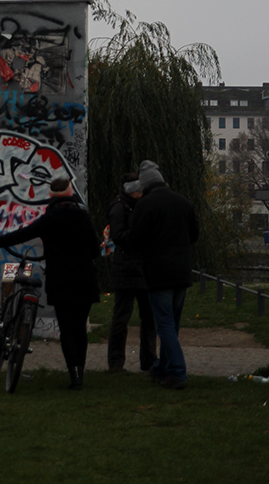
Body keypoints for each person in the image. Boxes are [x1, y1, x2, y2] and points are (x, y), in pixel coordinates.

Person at [0, 175, 100, 390]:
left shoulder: (49, 219)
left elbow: (21, 235)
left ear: (51, 196)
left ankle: (74, 374)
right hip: (84, 280)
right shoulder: (83, 217)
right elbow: (95, 250)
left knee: (66, 328)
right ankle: (80, 371)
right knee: (79, 328)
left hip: (61, 281)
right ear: (69, 193)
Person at [128, 159, 199, 390]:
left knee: (165, 325)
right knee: (173, 324)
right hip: (182, 271)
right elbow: (194, 234)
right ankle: (162, 369)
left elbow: (135, 239)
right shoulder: (183, 201)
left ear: (145, 184)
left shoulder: (145, 205)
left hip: (159, 273)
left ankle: (178, 373)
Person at [106, 173, 157, 373]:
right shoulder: (119, 207)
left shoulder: (136, 205)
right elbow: (117, 236)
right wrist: (140, 237)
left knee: (148, 317)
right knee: (121, 317)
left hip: (140, 267)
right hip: (127, 268)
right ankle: (116, 362)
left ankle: (149, 360)